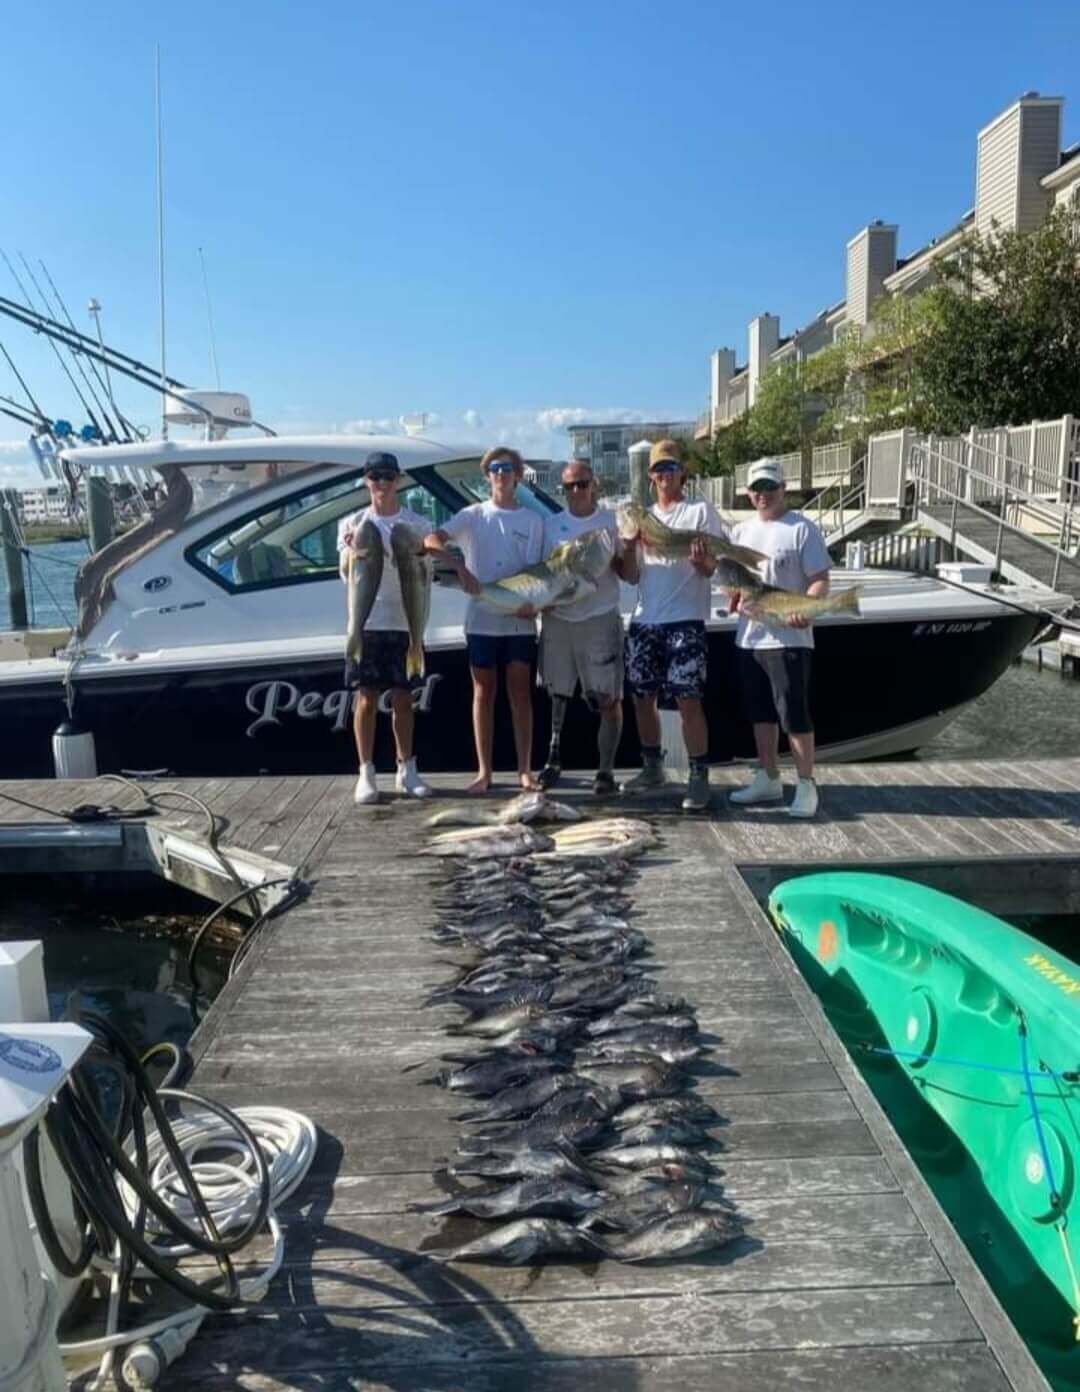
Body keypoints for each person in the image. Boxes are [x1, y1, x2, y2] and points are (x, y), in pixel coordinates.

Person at [424, 446, 543, 794]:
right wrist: (459, 566)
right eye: (494, 468)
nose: (501, 474)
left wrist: (534, 604)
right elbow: (431, 540)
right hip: (481, 619)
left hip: (519, 618)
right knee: (483, 692)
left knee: (520, 694)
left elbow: (539, 571)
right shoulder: (473, 515)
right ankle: (484, 771)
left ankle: (525, 770)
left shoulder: (533, 522)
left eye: (507, 468)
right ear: (487, 475)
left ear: (518, 475)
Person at [619, 439, 724, 812]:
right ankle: (652, 766)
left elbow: (714, 566)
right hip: (645, 619)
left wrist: (702, 564)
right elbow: (630, 577)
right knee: (641, 698)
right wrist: (630, 546)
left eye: (671, 468)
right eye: (659, 470)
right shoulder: (642, 518)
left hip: (685, 619)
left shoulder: (699, 512)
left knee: (688, 699)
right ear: (650, 477)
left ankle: (698, 774)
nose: (665, 475)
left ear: (682, 473)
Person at [728, 456, 832, 819]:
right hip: (750, 638)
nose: (763, 494)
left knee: (794, 714)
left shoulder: (802, 528)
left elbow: (820, 577)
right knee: (761, 714)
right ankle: (769, 777)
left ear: (783, 489)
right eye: (756, 488)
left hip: (790, 638)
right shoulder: (740, 533)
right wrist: (734, 598)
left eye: (770, 487)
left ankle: (806, 784)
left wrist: (811, 605)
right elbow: (734, 583)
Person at [338, 451, 433, 806]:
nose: (382, 483)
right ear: (366, 480)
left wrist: (433, 551)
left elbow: (429, 565)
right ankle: (365, 771)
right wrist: (351, 553)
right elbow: (346, 574)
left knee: (405, 698)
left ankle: (406, 768)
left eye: (388, 477)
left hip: (404, 621)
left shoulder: (415, 524)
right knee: (365, 698)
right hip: (368, 622)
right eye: (375, 476)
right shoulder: (352, 525)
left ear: (398, 480)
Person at [537, 458, 625, 796]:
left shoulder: (612, 524)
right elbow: (543, 573)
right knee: (557, 694)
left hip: (600, 617)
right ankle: (553, 758)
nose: (576, 491)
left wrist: (627, 549)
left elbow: (629, 573)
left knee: (608, 698)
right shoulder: (550, 525)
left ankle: (605, 771)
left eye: (582, 483)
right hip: (558, 618)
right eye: (569, 486)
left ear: (594, 484)